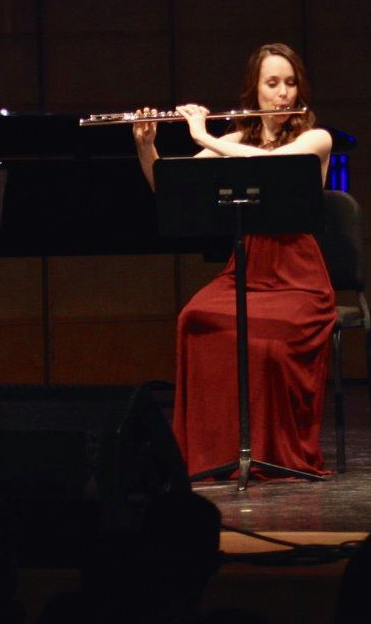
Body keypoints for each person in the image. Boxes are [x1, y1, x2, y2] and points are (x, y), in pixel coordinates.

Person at [132, 42, 337, 479]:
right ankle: (210, 453)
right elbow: (169, 187)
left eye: (290, 82)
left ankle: (273, 452)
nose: (282, 93)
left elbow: (277, 167)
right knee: (194, 319)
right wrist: (147, 148)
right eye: (272, 83)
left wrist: (204, 137)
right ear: (255, 91)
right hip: (248, 267)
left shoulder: (316, 139)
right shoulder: (235, 140)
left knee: (269, 343)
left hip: (299, 276)